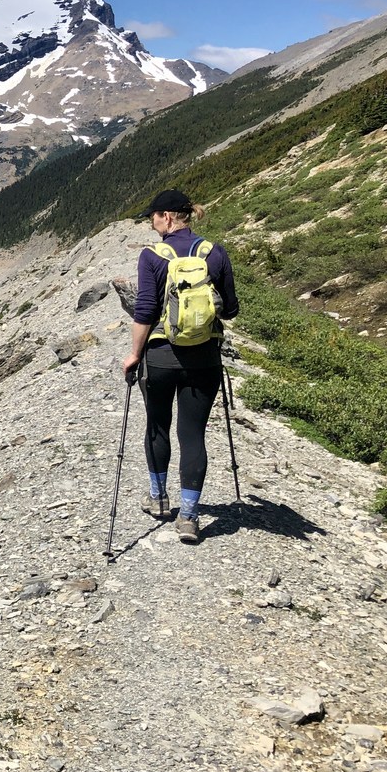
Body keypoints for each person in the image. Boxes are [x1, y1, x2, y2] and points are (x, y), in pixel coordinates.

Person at [121, 189, 239, 543]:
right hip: (203, 359)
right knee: (193, 435)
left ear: (168, 217)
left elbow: (144, 311)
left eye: (153, 217)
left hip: (159, 358)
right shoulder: (214, 252)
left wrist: (134, 354)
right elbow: (231, 309)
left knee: (157, 426)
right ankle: (189, 517)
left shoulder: (152, 256)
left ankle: (159, 500)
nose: (151, 223)